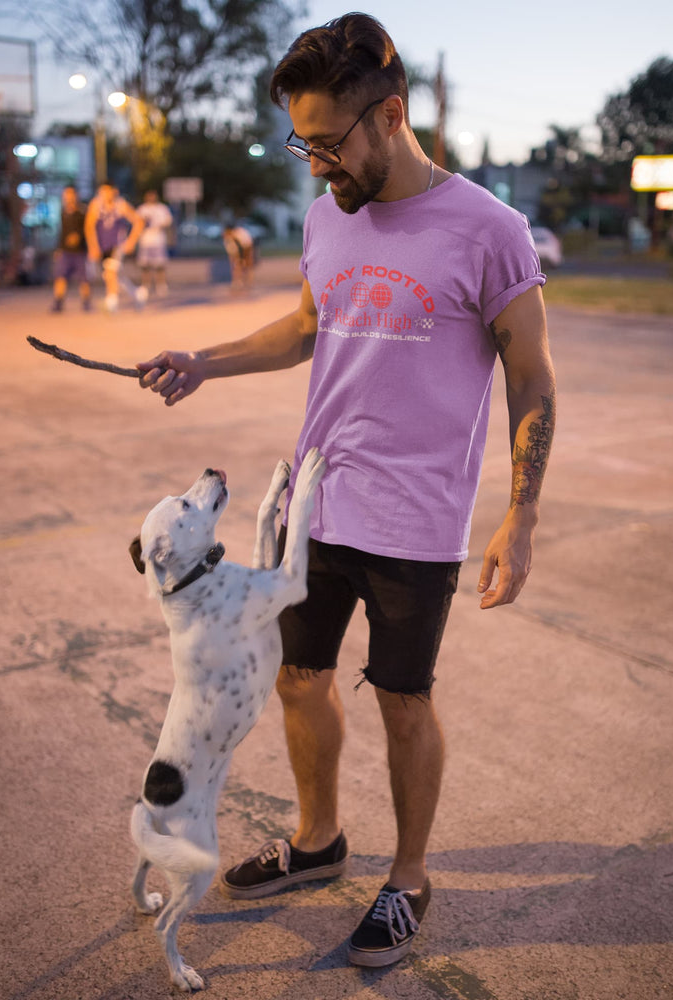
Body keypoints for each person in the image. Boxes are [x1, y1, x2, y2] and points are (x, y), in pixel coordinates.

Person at [137, 12, 556, 969]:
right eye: (304, 143)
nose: (315, 166)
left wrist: (520, 516)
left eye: (328, 144)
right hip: (313, 508)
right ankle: (319, 840)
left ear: (391, 116)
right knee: (298, 677)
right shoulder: (332, 216)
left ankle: (408, 879)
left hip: (418, 520)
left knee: (403, 700)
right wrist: (201, 361)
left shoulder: (490, 230)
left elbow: (532, 379)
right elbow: (302, 329)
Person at [84, 183, 146, 312]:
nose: (105, 195)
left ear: (114, 191)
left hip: (118, 245)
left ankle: (111, 302)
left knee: (110, 272)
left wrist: (131, 242)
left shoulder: (121, 205)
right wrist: (93, 246)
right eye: (102, 192)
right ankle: (137, 293)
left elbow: (139, 221)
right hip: (102, 245)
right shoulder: (95, 205)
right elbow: (89, 226)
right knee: (111, 275)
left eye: (107, 191)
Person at [51, 185, 91, 312]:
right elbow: (61, 232)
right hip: (65, 251)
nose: (68, 197)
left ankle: (86, 303)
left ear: (75, 195)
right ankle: (58, 302)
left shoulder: (82, 212)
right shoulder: (63, 212)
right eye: (65, 194)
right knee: (60, 277)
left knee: (83, 279)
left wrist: (79, 236)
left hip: (79, 251)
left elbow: (88, 229)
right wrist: (58, 249)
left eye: (70, 194)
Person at [136, 189, 174, 296]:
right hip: (145, 241)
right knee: (145, 265)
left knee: (160, 265)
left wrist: (159, 225)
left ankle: (161, 285)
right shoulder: (142, 209)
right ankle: (145, 285)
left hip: (158, 240)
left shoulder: (162, 208)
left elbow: (168, 221)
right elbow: (136, 222)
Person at [221, 222, 255, 291]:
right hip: (240, 249)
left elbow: (244, 247)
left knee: (245, 265)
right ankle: (238, 282)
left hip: (246, 247)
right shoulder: (228, 239)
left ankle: (247, 281)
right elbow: (231, 252)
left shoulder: (238, 235)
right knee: (236, 266)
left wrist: (240, 260)